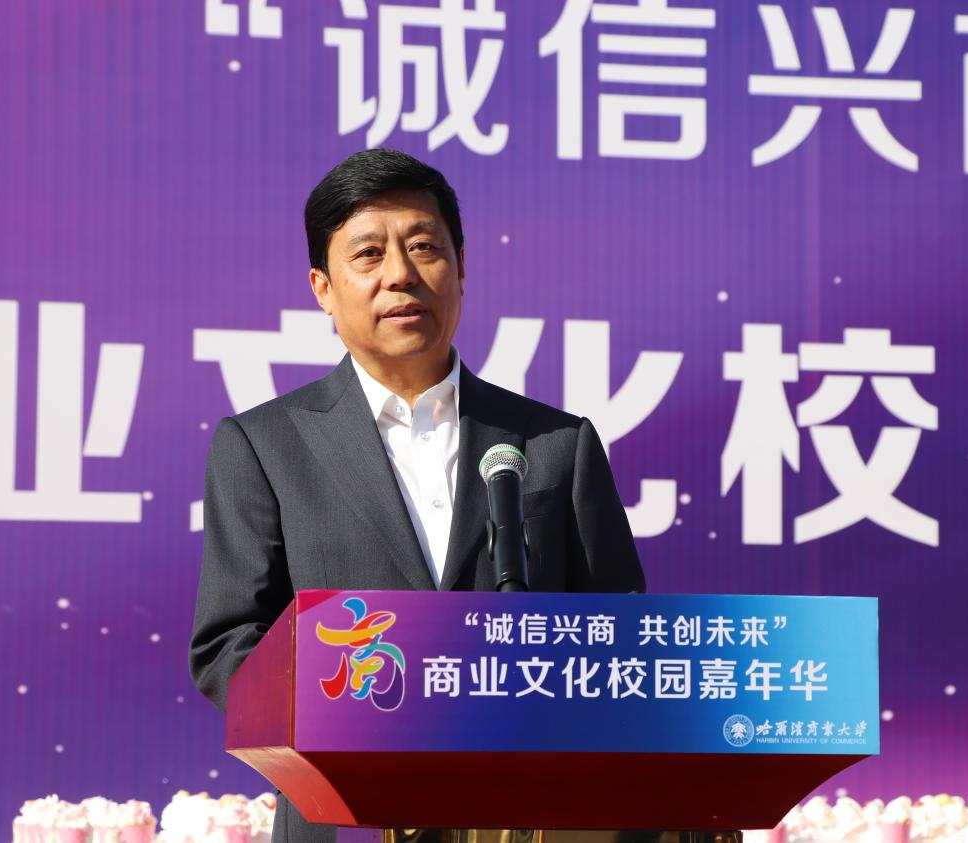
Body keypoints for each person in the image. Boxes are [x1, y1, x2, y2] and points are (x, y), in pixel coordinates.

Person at [189, 148, 646, 843]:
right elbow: (229, 646)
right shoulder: (264, 445)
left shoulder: (556, 443)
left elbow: (619, 636)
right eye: (368, 254)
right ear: (322, 288)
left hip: (526, 820)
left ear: (460, 268)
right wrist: (362, 717)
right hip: (346, 821)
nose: (400, 273)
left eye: (424, 246)